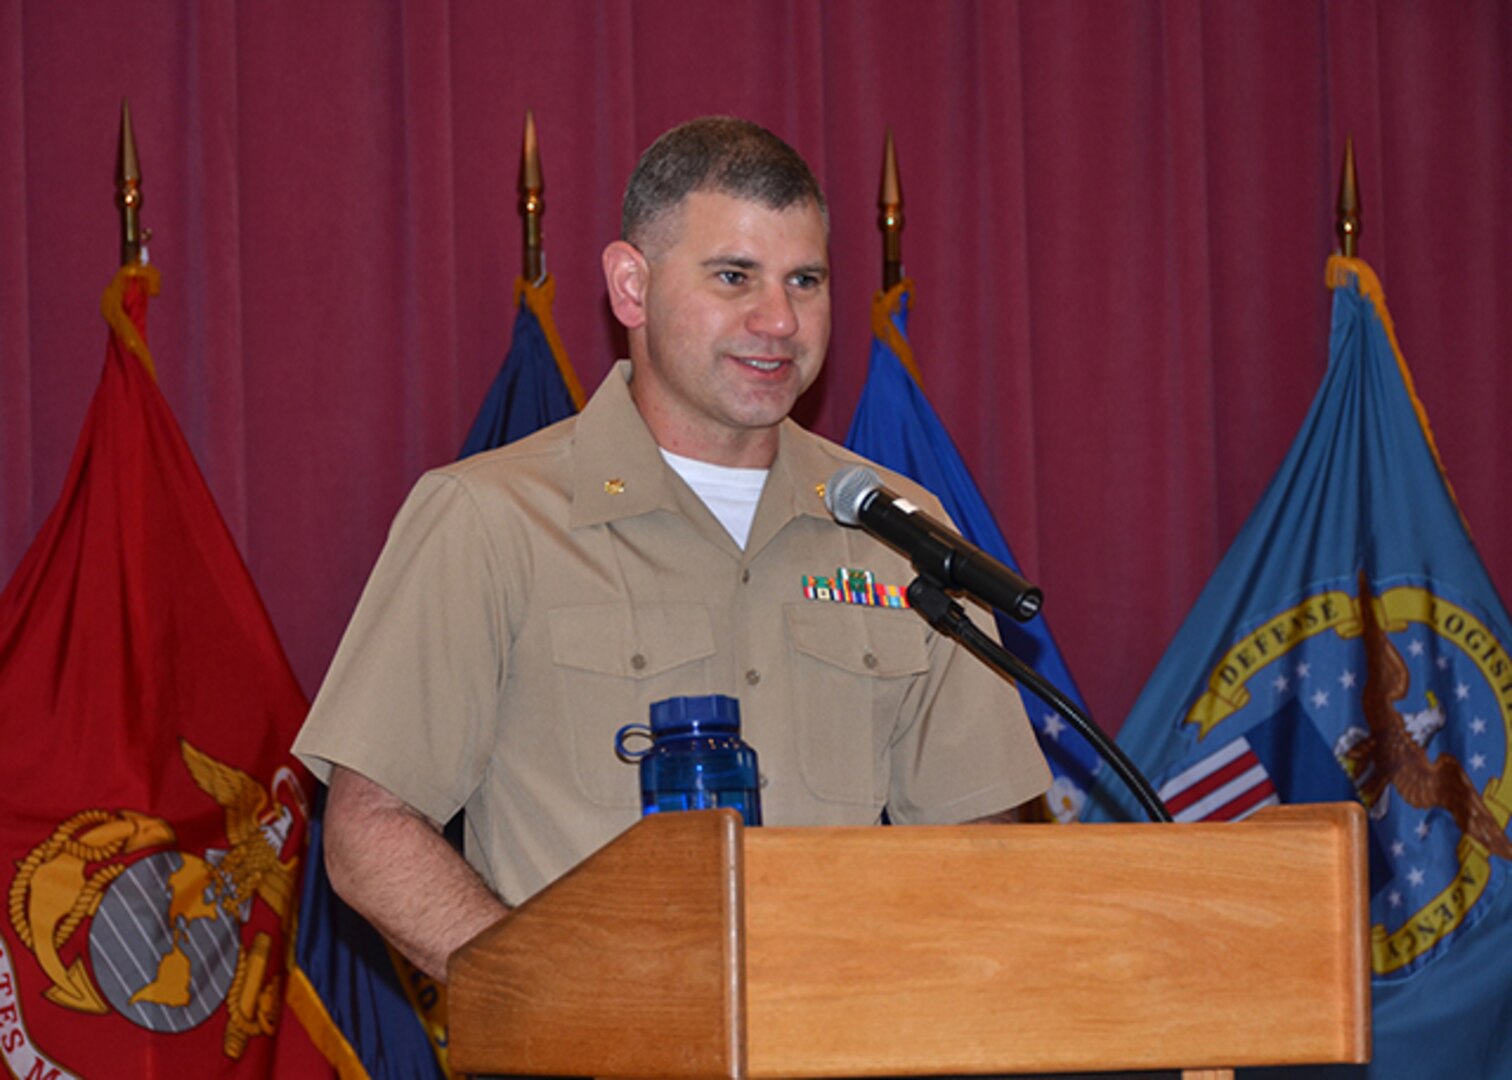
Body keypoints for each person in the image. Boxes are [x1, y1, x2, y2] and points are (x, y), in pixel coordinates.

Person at [293, 116, 1050, 982]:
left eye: (805, 280)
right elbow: (370, 827)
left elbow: (979, 845)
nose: (778, 320)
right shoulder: (489, 520)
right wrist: (546, 1002)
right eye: (735, 277)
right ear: (630, 286)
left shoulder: (899, 530)